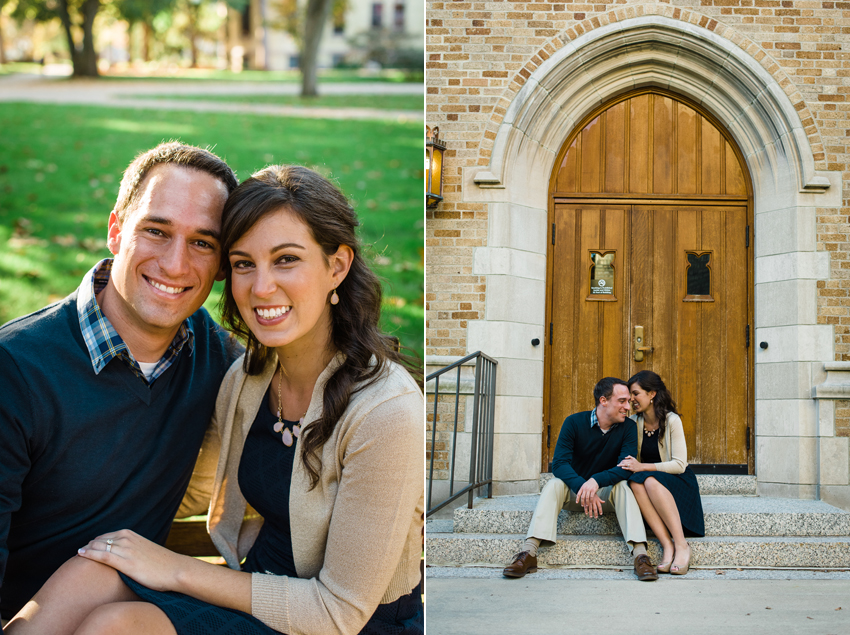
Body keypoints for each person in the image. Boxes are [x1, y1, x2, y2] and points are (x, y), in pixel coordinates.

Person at [7, 165, 424, 635]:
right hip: (257, 588)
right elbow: (201, 482)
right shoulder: (247, 379)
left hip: (345, 622)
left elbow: (338, 612)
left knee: (117, 626)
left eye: (286, 259)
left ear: (337, 266)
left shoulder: (385, 411)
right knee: (94, 570)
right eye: (245, 263)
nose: (261, 287)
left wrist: (177, 569)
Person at [0, 142, 242, 622]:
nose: (175, 265)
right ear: (116, 230)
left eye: (202, 242)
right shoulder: (16, 369)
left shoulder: (214, 356)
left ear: (219, 264)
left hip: (119, 615)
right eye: (156, 230)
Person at [502, 377, 657, 582]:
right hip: (574, 493)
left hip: (605, 495)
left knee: (623, 487)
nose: (627, 407)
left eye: (628, 401)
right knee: (554, 484)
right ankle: (528, 554)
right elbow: (559, 464)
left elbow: (625, 467)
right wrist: (584, 486)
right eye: (622, 401)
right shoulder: (574, 422)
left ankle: (641, 556)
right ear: (603, 400)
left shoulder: (627, 428)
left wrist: (595, 482)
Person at [617, 370, 705, 575]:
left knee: (647, 480)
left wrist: (643, 467)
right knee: (637, 482)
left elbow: (680, 465)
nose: (632, 399)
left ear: (652, 394)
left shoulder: (672, 420)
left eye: (636, 393)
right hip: (649, 483)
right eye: (630, 394)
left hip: (679, 482)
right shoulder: (635, 423)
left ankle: (681, 545)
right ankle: (667, 545)